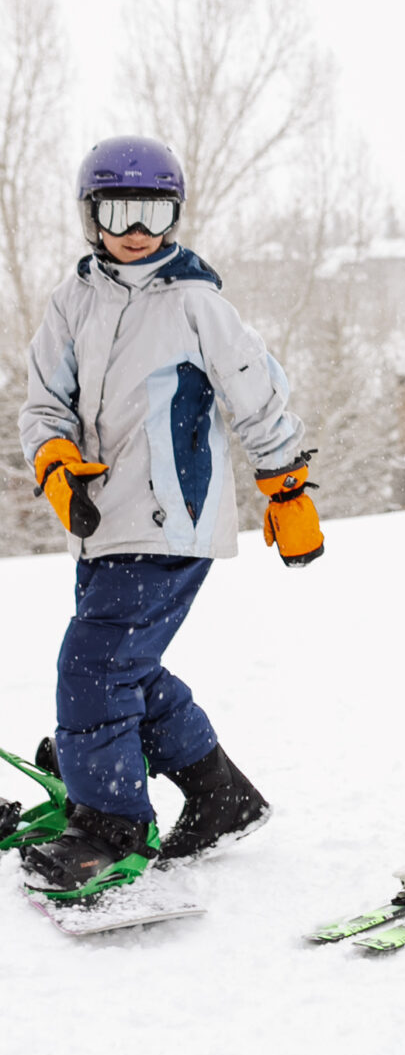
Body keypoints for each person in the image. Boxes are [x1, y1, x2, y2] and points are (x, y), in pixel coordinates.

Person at [17, 136, 324, 897]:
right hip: (101, 524)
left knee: (91, 667)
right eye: (118, 209)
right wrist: (54, 462)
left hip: (173, 519)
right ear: (92, 214)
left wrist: (285, 488)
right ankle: (219, 792)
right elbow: (42, 403)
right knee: (126, 666)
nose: (136, 227)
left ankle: (111, 824)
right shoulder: (73, 300)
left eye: (153, 210)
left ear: (174, 213)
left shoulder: (195, 301)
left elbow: (258, 394)